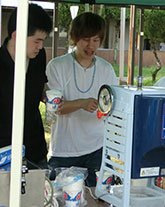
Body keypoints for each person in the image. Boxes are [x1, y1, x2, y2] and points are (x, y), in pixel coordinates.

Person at [46, 12, 118, 187]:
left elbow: (114, 106)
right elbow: (55, 108)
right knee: (60, 199)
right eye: (86, 39)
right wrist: (81, 103)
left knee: (97, 197)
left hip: (98, 148)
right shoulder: (57, 66)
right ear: (74, 38)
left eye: (96, 40)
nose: (91, 45)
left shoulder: (106, 69)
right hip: (64, 150)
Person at [0, 4, 52, 168]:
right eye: (37, 41)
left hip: (36, 151)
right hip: (2, 153)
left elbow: (41, 86)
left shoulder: (38, 57)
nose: (40, 46)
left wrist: (48, 97)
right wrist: (2, 164)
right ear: (17, 35)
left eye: (43, 41)